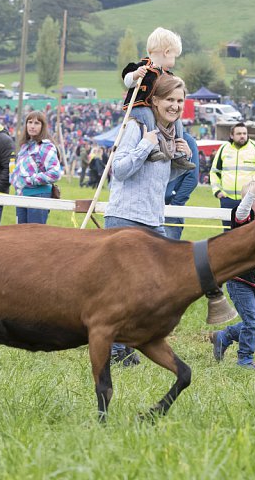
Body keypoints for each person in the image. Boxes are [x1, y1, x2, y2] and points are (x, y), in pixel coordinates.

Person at [104, 74, 191, 365]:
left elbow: (159, 178)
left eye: (179, 101)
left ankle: (131, 342)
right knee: (120, 290)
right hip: (125, 216)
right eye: (170, 100)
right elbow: (119, 169)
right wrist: (145, 144)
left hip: (154, 217)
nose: (175, 106)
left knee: (151, 291)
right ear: (154, 100)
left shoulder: (170, 135)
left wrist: (180, 161)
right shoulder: (136, 127)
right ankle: (116, 348)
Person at [209, 179, 255, 370]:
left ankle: (223, 337)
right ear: (249, 201)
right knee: (252, 322)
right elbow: (243, 210)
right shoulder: (242, 220)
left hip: (253, 282)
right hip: (238, 280)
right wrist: (253, 192)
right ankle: (245, 359)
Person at [119, 27, 194, 170]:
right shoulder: (142, 66)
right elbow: (127, 81)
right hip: (139, 105)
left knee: (177, 120)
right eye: (174, 56)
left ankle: (179, 151)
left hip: (154, 107)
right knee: (148, 116)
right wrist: (135, 75)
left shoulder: (167, 75)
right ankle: (152, 147)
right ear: (166, 52)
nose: (174, 61)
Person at [209, 122, 255, 229]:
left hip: (250, 201)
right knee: (228, 234)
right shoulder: (224, 148)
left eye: (244, 133)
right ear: (231, 135)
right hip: (227, 200)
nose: (242, 136)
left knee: (249, 233)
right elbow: (214, 172)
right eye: (239, 134)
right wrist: (217, 192)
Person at [12, 110, 63, 225]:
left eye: (36, 123)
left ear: (43, 126)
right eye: (29, 122)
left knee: (34, 237)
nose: (32, 126)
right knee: (20, 236)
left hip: (38, 195)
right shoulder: (25, 146)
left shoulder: (46, 146)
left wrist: (32, 180)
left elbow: (55, 173)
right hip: (21, 195)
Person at [163, 131, 199, 240]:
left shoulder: (187, 141)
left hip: (171, 208)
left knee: (168, 253)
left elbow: (192, 178)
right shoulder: (154, 136)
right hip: (149, 207)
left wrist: (175, 203)